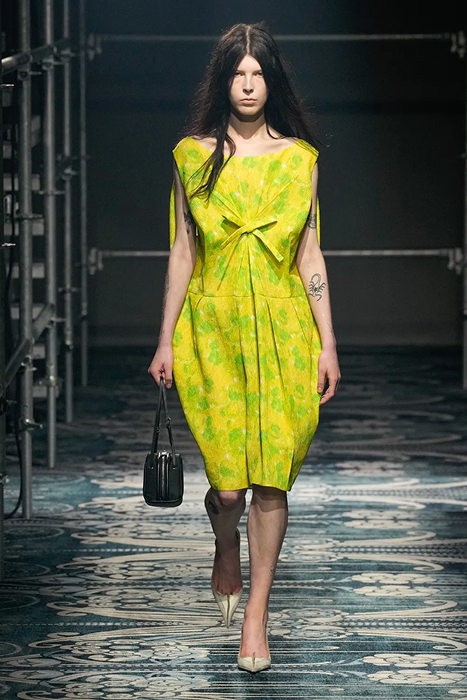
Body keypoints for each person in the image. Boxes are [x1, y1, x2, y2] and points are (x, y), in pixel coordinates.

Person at [148, 21, 341, 673]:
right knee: (228, 490)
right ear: (223, 81)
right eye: (238, 73)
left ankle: (256, 616)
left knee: (270, 480)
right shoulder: (191, 156)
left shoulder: (299, 159)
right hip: (213, 331)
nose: (249, 84)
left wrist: (328, 344)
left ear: (272, 81)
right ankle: (224, 543)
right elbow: (182, 250)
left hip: (285, 331)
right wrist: (164, 339)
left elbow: (310, 254)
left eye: (259, 73)